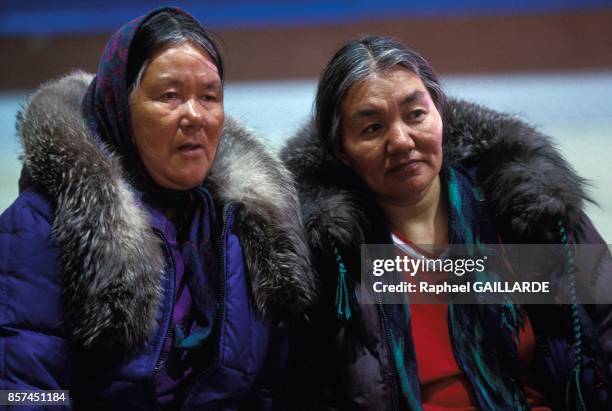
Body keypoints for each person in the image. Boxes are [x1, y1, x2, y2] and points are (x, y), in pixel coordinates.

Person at [0, 7, 315, 410]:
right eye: (169, 96)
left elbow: (268, 388)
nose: (194, 116)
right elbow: (25, 389)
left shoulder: (245, 225)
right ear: (120, 107)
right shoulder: (41, 222)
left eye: (209, 97)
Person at [281, 36, 612, 410]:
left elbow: (605, 321)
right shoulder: (329, 257)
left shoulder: (522, 208)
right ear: (341, 150)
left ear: (440, 113)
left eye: (415, 114)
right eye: (372, 128)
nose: (401, 141)